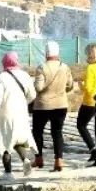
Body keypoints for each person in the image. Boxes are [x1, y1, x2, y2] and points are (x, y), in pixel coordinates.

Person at [0, 52, 38, 181]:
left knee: (5, 143)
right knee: (17, 139)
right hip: (21, 112)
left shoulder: (2, 77)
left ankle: (8, 172)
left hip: (6, 114)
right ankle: (25, 159)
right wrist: (23, 101)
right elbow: (33, 95)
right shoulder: (25, 75)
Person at [32, 41, 75, 172]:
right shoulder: (65, 67)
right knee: (57, 132)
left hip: (43, 106)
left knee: (37, 131)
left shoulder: (42, 67)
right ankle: (59, 160)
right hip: (61, 104)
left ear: (46, 53)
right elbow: (70, 86)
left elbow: (38, 87)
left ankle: (39, 158)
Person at [77, 43, 96, 166]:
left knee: (81, 125)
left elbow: (89, 88)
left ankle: (93, 150)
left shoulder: (91, 68)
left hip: (90, 101)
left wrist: (81, 86)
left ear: (90, 54)